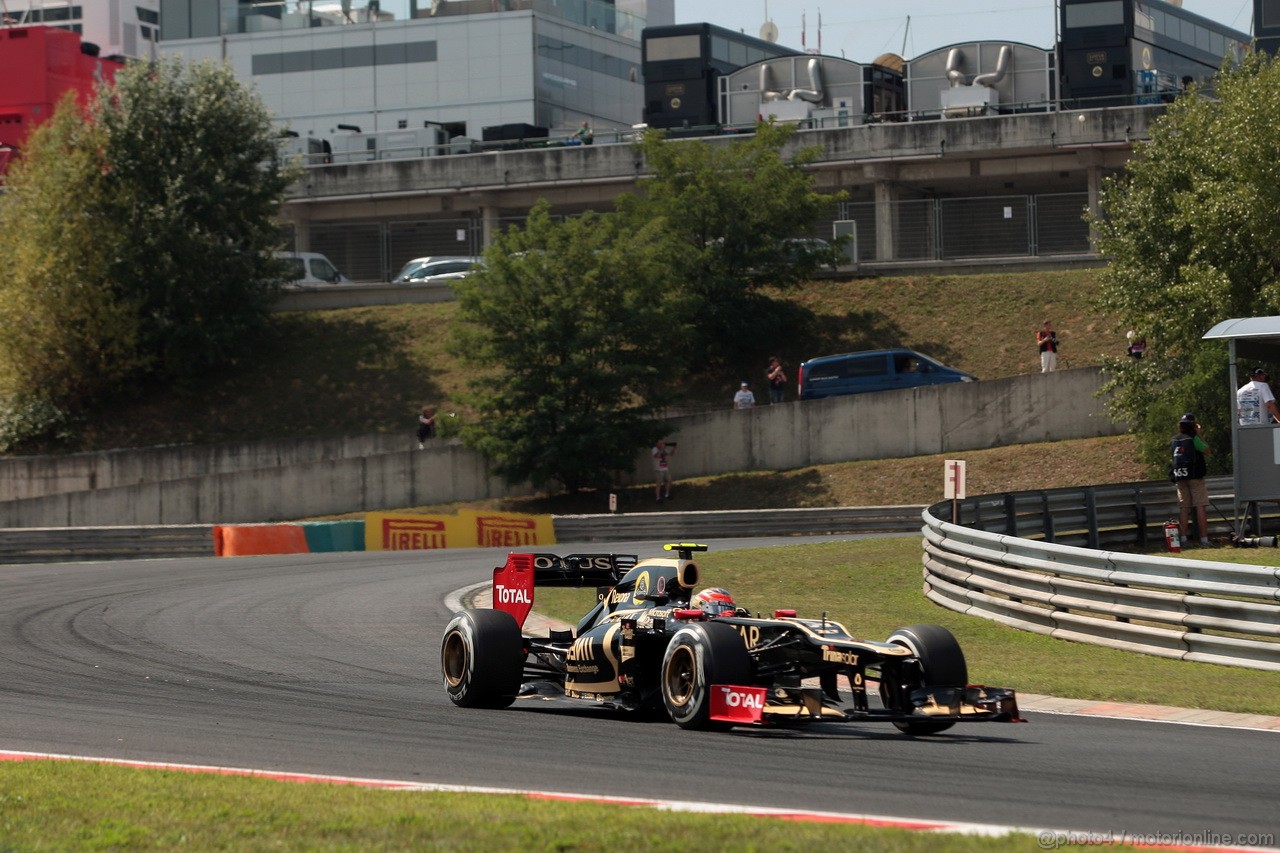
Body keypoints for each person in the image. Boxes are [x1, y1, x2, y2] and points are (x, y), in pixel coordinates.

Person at [1171, 413, 1212, 547]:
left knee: (1184, 507)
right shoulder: (1194, 438)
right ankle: (1204, 539)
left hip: (1180, 476)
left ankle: (1183, 539)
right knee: (1200, 505)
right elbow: (1207, 451)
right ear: (1193, 425)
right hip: (1195, 477)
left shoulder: (1174, 440)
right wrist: (1199, 434)